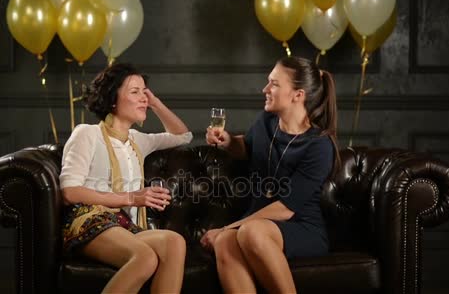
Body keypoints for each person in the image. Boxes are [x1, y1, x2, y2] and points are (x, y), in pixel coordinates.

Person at [201, 56, 340, 293]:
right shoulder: (265, 122)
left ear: (298, 94)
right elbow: (247, 147)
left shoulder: (319, 145)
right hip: (258, 224)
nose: (265, 89)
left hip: (301, 227)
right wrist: (228, 142)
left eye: (274, 84)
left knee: (246, 233)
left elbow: (285, 208)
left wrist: (227, 228)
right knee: (226, 242)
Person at [59, 63, 192, 293]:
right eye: (135, 92)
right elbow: (70, 192)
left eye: (144, 91)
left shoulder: (138, 140)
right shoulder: (87, 134)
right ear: (113, 99)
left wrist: (155, 103)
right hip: (90, 218)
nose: (143, 98)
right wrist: (131, 197)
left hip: (125, 225)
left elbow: (183, 136)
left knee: (175, 243)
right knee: (145, 257)